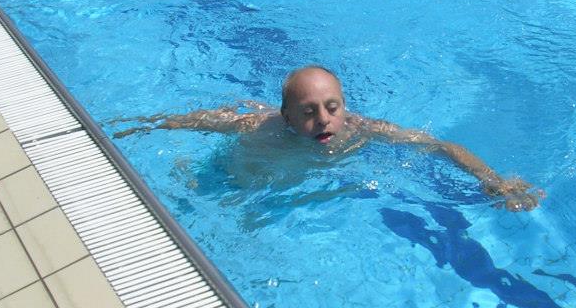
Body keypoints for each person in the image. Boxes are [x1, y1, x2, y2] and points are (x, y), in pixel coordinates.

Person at [113, 66, 544, 211]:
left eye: (332, 108)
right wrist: (138, 128)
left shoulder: (360, 130)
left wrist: (493, 179)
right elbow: (186, 121)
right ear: (285, 116)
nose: (323, 121)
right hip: (228, 179)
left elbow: (438, 145)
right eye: (308, 112)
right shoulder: (255, 125)